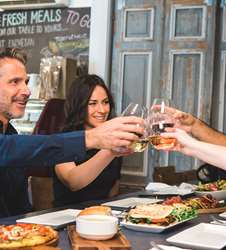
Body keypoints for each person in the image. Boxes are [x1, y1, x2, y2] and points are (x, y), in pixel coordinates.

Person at [0, 48, 143, 216]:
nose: (27, 90)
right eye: (15, 82)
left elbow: (18, 207)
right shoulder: (11, 142)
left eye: (26, 81)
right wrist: (93, 138)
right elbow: (7, 148)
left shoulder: (11, 132)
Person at [53, 75, 124, 206]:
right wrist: (110, 151)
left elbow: (113, 190)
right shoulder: (64, 139)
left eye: (105, 102)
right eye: (92, 103)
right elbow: (73, 182)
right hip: (69, 217)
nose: (102, 110)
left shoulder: (114, 138)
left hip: (102, 216)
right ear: (78, 105)